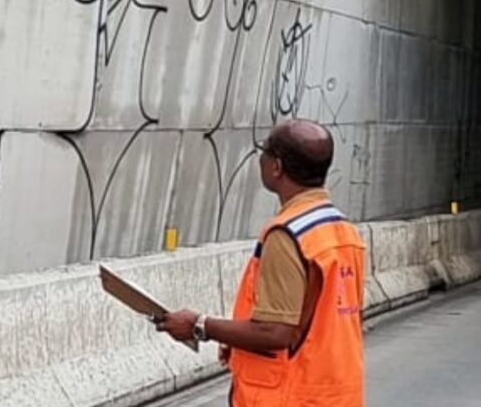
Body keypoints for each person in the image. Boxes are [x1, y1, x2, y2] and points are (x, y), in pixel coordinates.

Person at [157, 119, 366, 406]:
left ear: (277, 167)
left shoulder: (287, 234)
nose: (261, 159)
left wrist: (199, 325)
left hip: (292, 398)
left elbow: (276, 332)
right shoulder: (344, 232)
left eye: (264, 151)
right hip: (337, 396)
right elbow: (327, 322)